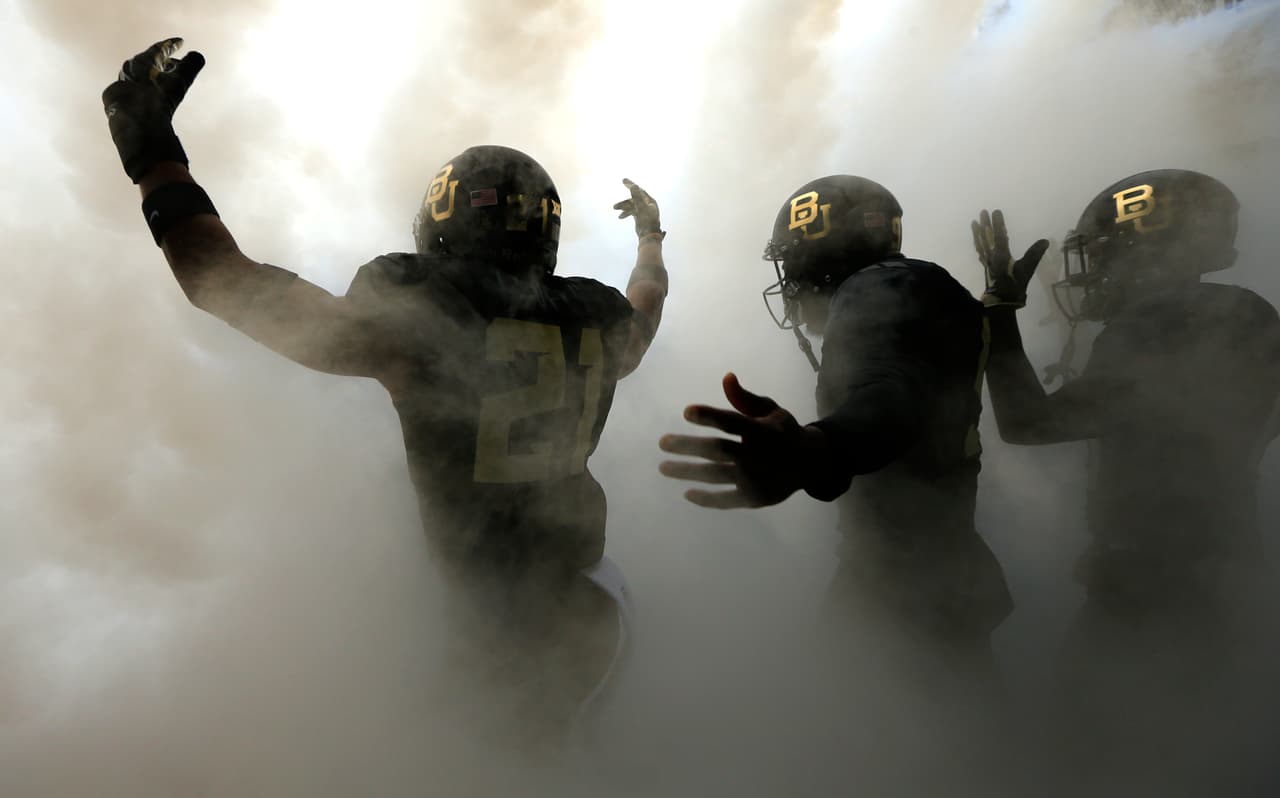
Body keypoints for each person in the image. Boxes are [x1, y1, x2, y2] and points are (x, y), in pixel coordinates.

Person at [102, 38, 670, 746]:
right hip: (594, 597)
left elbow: (219, 277)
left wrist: (151, 151)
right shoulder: (597, 315)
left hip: (507, 623)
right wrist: (651, 237)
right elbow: (645, 303)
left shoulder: (428, 309)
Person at [973, 169, 1280, 791]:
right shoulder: (1249, 315)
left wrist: (1000, 316)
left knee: (1092, 764)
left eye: (1106, 251)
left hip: (1148, 596)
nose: (1094, 271)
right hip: (1229, 574)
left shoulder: (1160, 326)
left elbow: (1028, 424)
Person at [659, 175, 1013, 685]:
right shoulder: (919, 288)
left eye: (793, 258)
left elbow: (891, 396)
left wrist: (820, 448)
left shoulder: (872, 287)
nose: (788, 278)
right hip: (939, 573)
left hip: (900, 592)